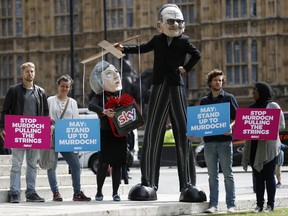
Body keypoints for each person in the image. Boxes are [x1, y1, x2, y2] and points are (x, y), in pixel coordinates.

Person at [116, 3, 204, 202]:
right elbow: (142, 48)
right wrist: (124, 49)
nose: (176, 24)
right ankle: (148, 182)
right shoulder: (157, 39)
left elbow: (197, 55)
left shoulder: (184, 41)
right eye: (171, 21)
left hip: (176, 86)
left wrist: (186, 68)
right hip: (158, 86)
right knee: (152, 133)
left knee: (183, 133)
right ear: (160, 25)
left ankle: (188, 184)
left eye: (179, 21)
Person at [0, 62, 49, 203]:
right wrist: (2, 127)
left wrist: (46, 130)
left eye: (32, 71)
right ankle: (14, 192)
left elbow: (45, 113)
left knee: (33, 164)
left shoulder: (41, 92)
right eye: (27, 71)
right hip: (18, 133)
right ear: (22, 73)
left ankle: (31, 192)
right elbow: (5, 110)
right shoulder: (13, 90)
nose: (30, 74)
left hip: (35, 133)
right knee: (16, 164)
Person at [46, 74, 91, 202]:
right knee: (51, 166)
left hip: (67, 137)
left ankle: (77, 193)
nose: (64, 89)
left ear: (69, 88)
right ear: (58, 86)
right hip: (52, 136)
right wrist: (48, 121)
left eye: (67, 86)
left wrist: (77, 143)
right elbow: (44, 117)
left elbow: (76, 121)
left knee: (75, 165)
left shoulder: (73, 102)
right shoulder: (50, 100)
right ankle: (55, 192)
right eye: (62, 86)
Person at [242, 81, 285, 213]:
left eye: (255, 90)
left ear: (261, 91)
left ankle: (270, 205)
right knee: (258, 178)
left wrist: (267, 132)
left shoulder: (273, 106)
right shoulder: (250, 108)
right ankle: (259, 205)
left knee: (269, 176)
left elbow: (281, 125)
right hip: (254, 146)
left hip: (268, 147)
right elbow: (247, 127)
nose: (252, 93)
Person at [88, 60, 128, 202]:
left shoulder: (120, 95)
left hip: (120, 133)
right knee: (104, 164)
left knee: (117, 165)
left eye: (116, 72)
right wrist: (104, 111)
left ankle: (115, 193)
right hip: (106, 133)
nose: (116, 75)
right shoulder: (100, 96)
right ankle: (99, 192)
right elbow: (91, 106)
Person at [200, 69, 238, 213]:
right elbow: (201, 121)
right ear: (210, 82)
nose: (219, 82)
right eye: (216, 80)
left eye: (221, 80)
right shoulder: (204, 100)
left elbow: (237, 118)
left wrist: (231, 126)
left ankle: (231, 205)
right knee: (212, 176)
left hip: (225, 141)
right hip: (209, 142)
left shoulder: (229, 98)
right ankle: (213, 204)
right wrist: (193, 133)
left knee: (228, 174)